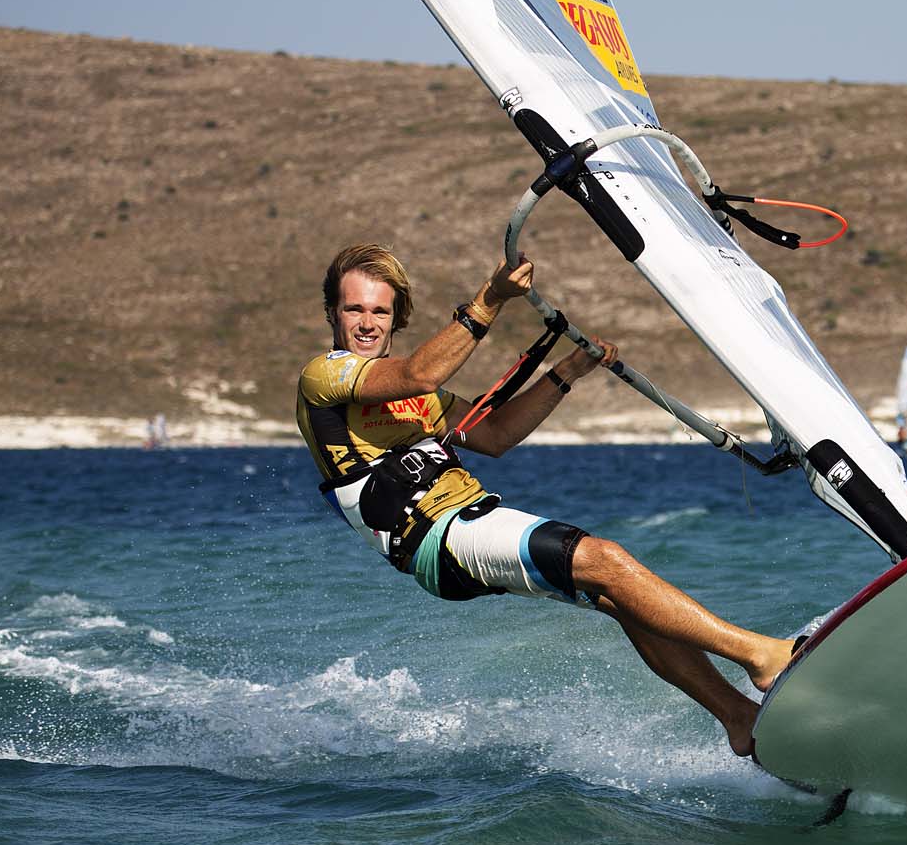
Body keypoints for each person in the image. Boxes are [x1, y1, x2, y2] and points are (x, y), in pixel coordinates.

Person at [296, 242, 794, 757]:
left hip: (470, 522)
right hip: (434, 539)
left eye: (380, 310)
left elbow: (495, 435)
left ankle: (740, 720)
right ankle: (761, 655)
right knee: (605, 559)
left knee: (622, 600)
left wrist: (567, 372)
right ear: (333, 313)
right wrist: (490, 298)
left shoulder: (420, 401)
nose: (366, 322)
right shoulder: (324, 375)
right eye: (354, 308)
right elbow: (417, 372)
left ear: (396, 317)